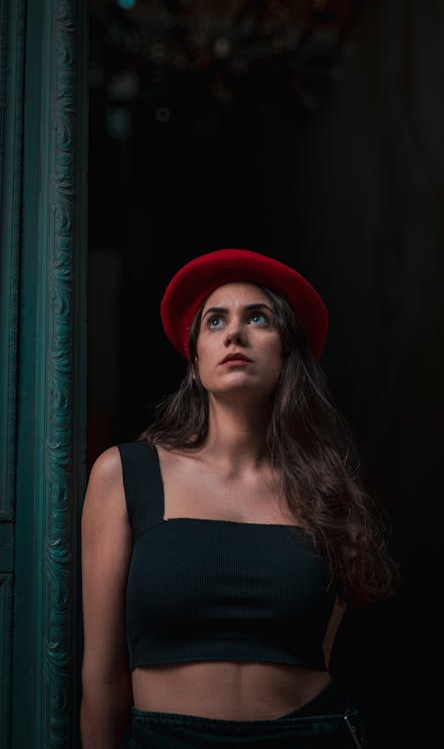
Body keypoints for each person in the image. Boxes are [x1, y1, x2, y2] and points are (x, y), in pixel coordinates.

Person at [80, 248, 399, 749]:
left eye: (258, 318)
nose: (235, 334)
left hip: (310, 734)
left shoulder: (327, 493)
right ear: (195, 356)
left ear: (286, 350)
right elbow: (101, 680)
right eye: (215, 321)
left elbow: (322, 654)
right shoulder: (126, 474)